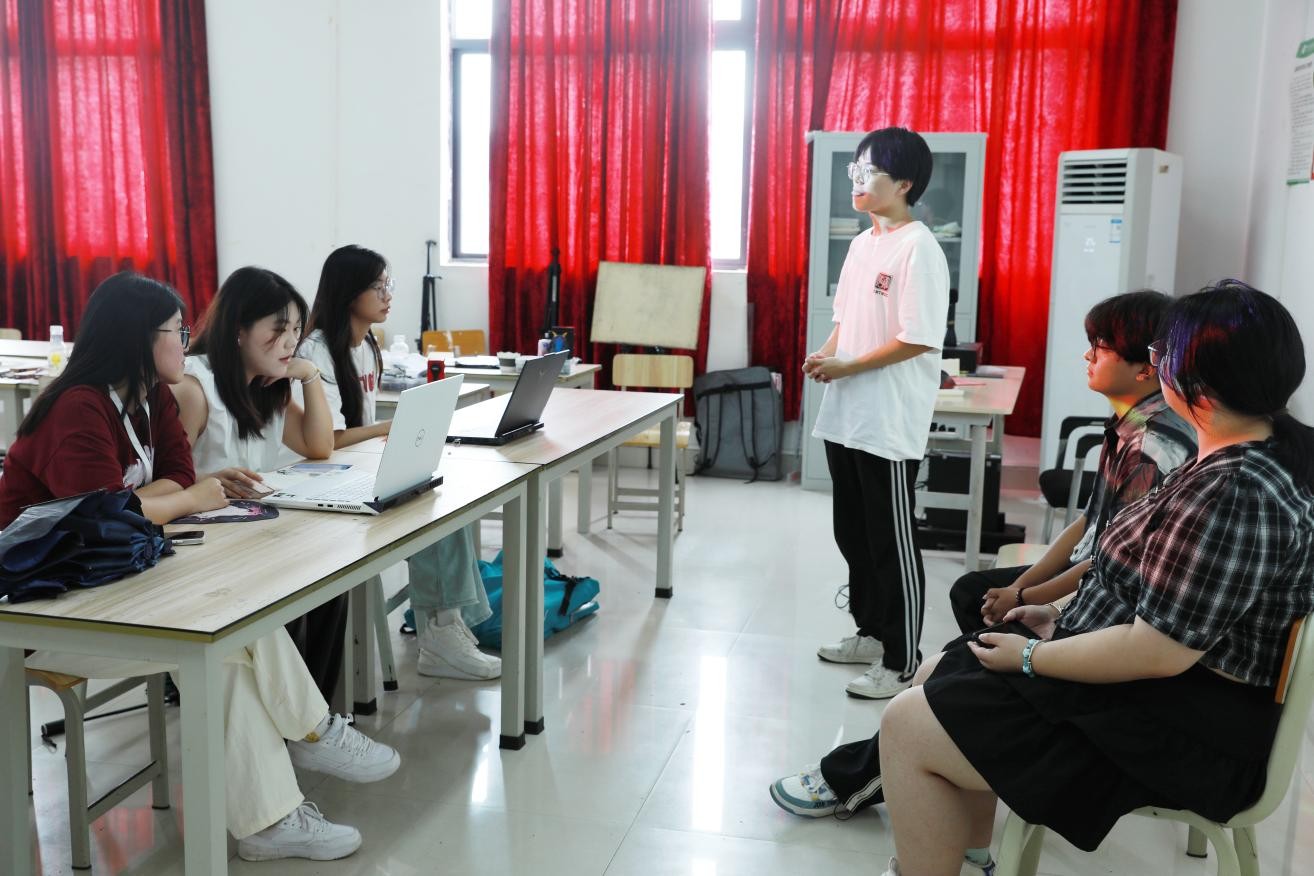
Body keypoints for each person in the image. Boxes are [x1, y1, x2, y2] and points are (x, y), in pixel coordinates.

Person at [875, 280, 1314, 876]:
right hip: (1166, 691)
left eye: (1162, 354)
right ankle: (969, 854)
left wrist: (1032, 657)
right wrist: (1056, 617)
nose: (1156, 364)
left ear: (1199, 382)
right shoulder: (1235, 455)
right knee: (944, 669)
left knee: (906, 723)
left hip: (1188, 728)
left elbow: (1158, 650)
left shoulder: (1235, 490)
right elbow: (1153, 592)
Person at [771, 289, 1197, 874]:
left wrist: (1029, 598)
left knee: (953, 663)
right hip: (1094, 604)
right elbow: (1090, 529)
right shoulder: (1133, 426)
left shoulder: (1156, 447)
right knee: (972, 603)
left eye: (1099, 346)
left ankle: (874, 773)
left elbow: (1110, 566)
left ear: (1146, 365)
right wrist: (1025, 592)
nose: (1087, 356)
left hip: (1099, 630)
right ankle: (961, 810)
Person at [0, 272, 401, 863]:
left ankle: (274, 813)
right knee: (224, 634)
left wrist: (159, 499)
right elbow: (102, 516)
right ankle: (309, 739)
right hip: (44, 612)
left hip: (118, 581)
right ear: (139, 336)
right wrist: (174, 500)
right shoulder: (76, 406)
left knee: (227, 635)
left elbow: (175, 480)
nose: (187, 342)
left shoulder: (152, 398)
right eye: (176, 331)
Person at [298, 244, 500, 680]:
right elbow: (328, 443)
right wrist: (389, 428)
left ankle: (444, 625)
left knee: (444, 496)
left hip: (359, 467)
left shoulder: (366, 345)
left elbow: (360, 432)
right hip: (323, 477)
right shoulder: (316, 351)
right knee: (430, 508)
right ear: (348, 291)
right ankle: (441, 632)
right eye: (378, 286)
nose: (388, 295)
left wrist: (393, 433)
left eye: (388, 284)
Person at [805, 127, 951, 699]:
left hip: (887, 421)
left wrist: (849, 366)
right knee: (854, 534)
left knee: (891, 542)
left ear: (905, 183)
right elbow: (845, 319)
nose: (858, 181)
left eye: (869, 172)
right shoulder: (862, 244)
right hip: (847, 414)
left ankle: (902, 657)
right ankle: (869, 633)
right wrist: (828, 354)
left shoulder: (919, 248)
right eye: (855, 171)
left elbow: (918, 337)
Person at [171, 265, 348, 701]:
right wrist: (206, 481)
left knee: (332, 580)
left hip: (249, 534)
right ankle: (299, 719)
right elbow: (161, 482)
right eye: (279, 329)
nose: (291, 342)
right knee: (295, 586)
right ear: (239, 330)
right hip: (199, 542)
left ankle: (312, 719)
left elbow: (320, 446)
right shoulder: (195, 388)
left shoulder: (267, 387)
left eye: (296, 331)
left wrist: (309, 375)